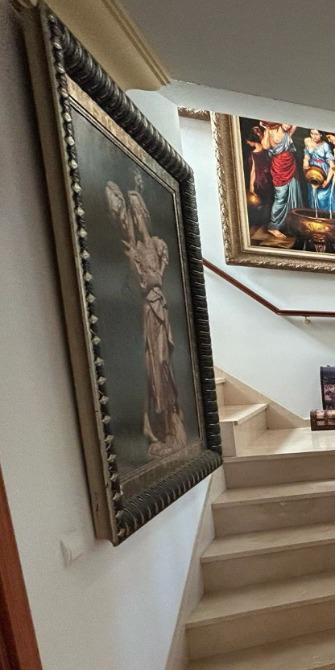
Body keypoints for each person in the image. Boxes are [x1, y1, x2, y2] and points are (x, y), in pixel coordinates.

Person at [105, 173, 189, 460]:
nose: (137, 218)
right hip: (147, 314)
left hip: (159, 311)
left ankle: (172, 426)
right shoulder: (135, 250)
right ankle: (158, 427)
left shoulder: (156, 245)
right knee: (152, 366)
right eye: (133, 213)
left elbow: (156, 278)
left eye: (139, 212)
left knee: (163, 365)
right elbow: (140, 283)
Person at [257, 122, 302, 238]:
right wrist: (267, 129)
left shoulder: (288, 132)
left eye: (290, 123)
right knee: (281, 197)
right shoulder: (270, 131)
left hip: (290, 164)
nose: (289, 125)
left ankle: (290, 223)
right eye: (286, 122)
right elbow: (265, 146)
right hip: (279, 167)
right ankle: (274, 226)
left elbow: (296, 123)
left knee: (292, 193)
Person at [302, 129, 335, 214]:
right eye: (312, 134)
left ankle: (325, 218)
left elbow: (332, 165)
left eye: (316, 134)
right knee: (312, 197)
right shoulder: (308, 143)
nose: (314, 136)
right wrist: (305, 161)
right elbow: (306, 156)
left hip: (324, 173)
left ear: (321, 135)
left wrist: (327, 181)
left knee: (322, 198)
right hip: (312, 173)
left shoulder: (325, 145)